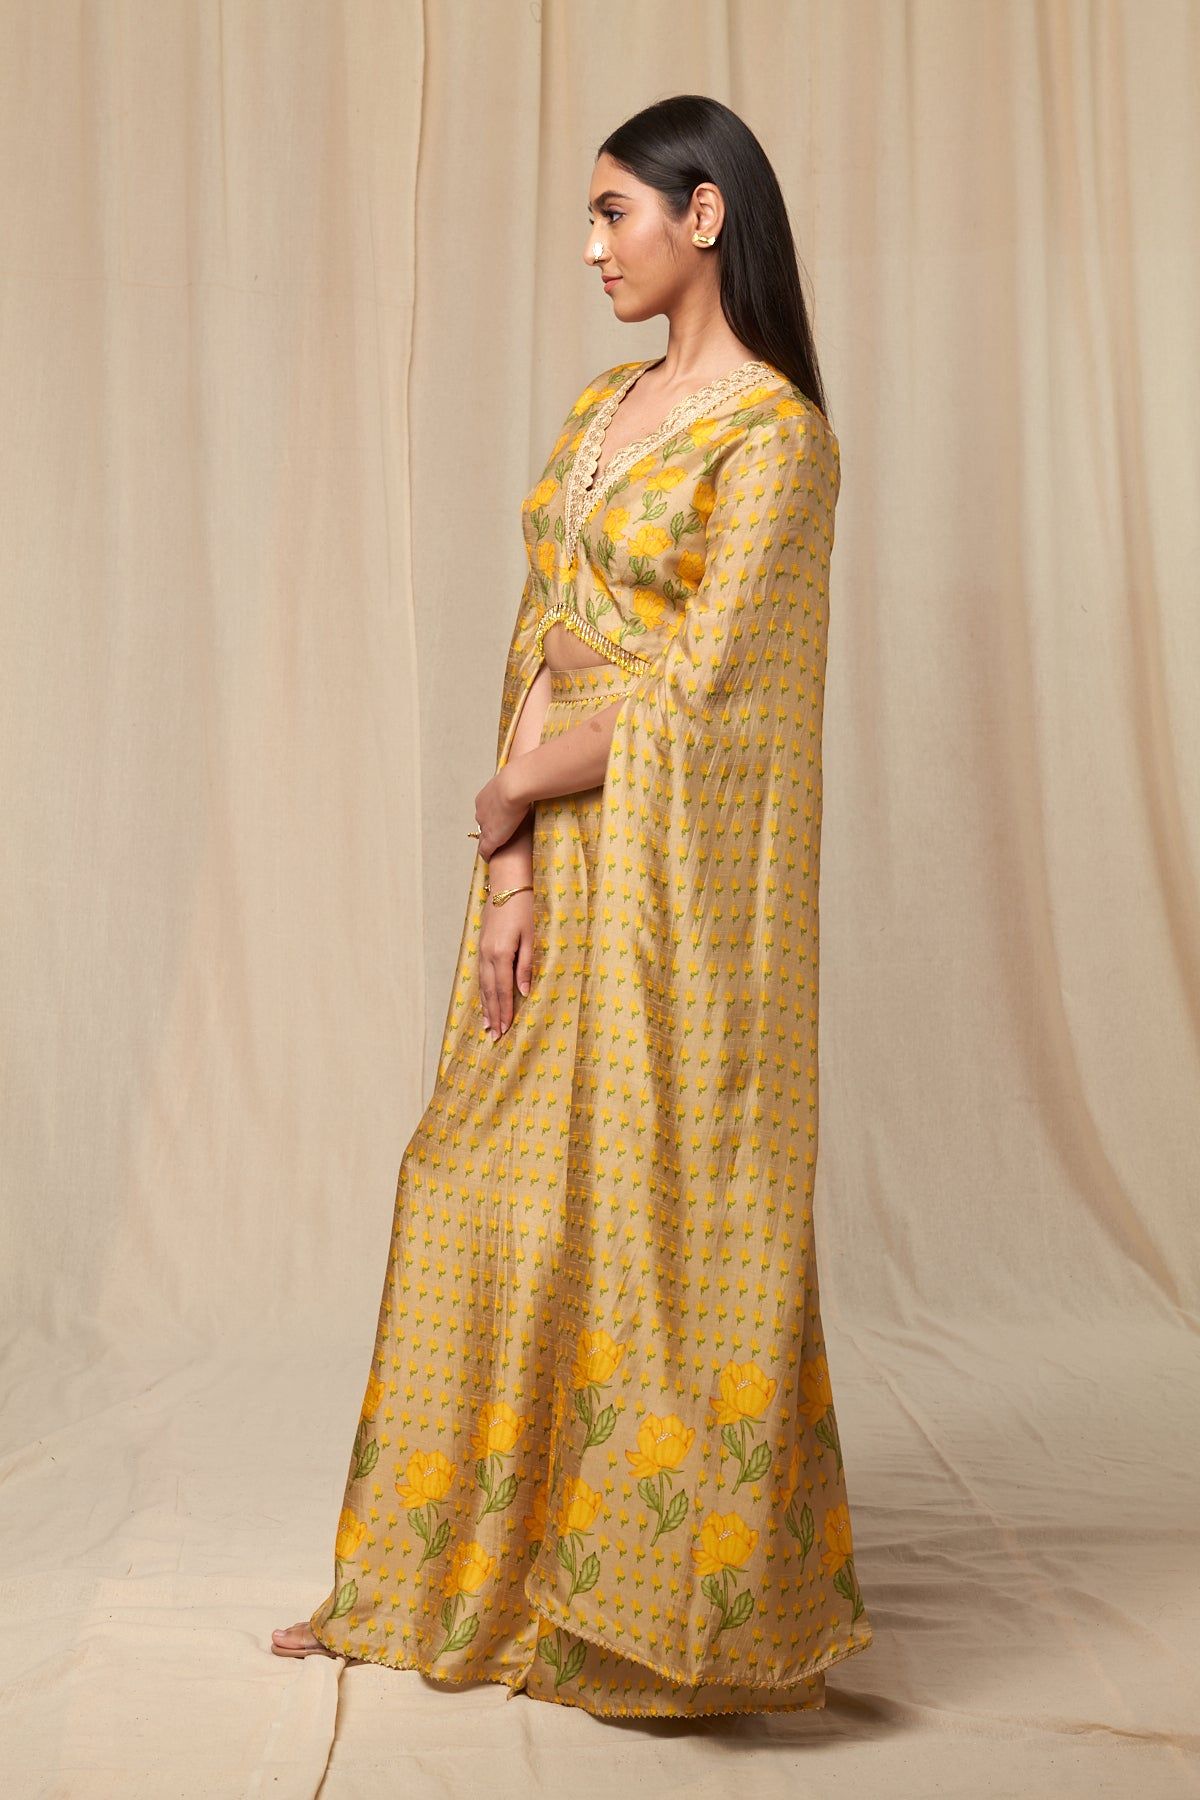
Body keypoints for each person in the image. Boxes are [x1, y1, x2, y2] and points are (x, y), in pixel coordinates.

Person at [271, 93, 873, 1719]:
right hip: (558, 856)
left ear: (705, 215)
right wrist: (513, 863)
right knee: (471, 1189)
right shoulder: (603, 408)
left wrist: (523, 786)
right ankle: (421, 1579)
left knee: (655, 1222)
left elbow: (715, 689)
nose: (594, 247)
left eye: (616, 212)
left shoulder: (778, 441)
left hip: (681, 890)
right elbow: (541, 625)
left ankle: (644, 1609)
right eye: (593, 217)